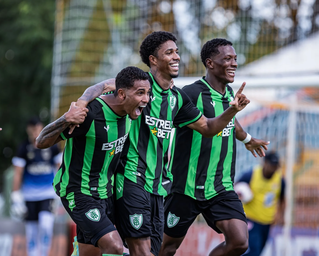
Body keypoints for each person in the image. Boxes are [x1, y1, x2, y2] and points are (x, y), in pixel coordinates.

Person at [74, 31, 250, 256]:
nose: (176, 56)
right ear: (153, 60)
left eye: (177, 52)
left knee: (155, 251)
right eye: (170, 52)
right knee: (141, 250)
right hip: (131, 178)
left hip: (158, 187)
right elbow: (102, 86)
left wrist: (233, 110)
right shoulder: (139, 87)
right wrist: (81, 103)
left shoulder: (177, 98)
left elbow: (208, 128)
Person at [158, 38, 269, 256]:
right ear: (210, 63)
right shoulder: (190, 94)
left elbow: (228, 121)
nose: (234, 63)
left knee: (239, 242)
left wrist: (247, 139)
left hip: (220, 187)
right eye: (227, 58)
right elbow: (204, 124)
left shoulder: (228, 95)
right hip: (186, 187)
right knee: (166, 247)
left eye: (235, 59)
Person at [36, 66, 151, 256]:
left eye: (147, 93)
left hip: (106, 194)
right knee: (114, 246)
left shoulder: (131, 110)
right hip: (78, 192)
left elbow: (105, 84)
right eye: (141, 93)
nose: (146, 99)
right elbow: (41, 142)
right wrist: (66, 118)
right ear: (121, 94)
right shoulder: (90, 115)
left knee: (90, 253)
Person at [11, 116, 62, 256]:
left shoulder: (52, 145)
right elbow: (17, 173)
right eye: (33, 130)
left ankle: (44, 253)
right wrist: (15, 196)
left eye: (38, 129)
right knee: (31, 231)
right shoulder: (23, 148)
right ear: (28, 130)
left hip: (48, 194)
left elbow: (60, 167)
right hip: (29, 196)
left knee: (46, 226)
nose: (35, 133)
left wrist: (60, 192)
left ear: (42, 128)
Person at [235, 151, 285, 256]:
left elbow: (282, 199)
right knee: (254, 251)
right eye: (272, 165)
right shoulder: (251, 175)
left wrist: (281, 216)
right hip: (250, 220)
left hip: (267, 223)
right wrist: (241, 194)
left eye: (276, 166)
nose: (274, 168)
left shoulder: (280, 181)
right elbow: (235, 187)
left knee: (259, 251)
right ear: (265, 163)